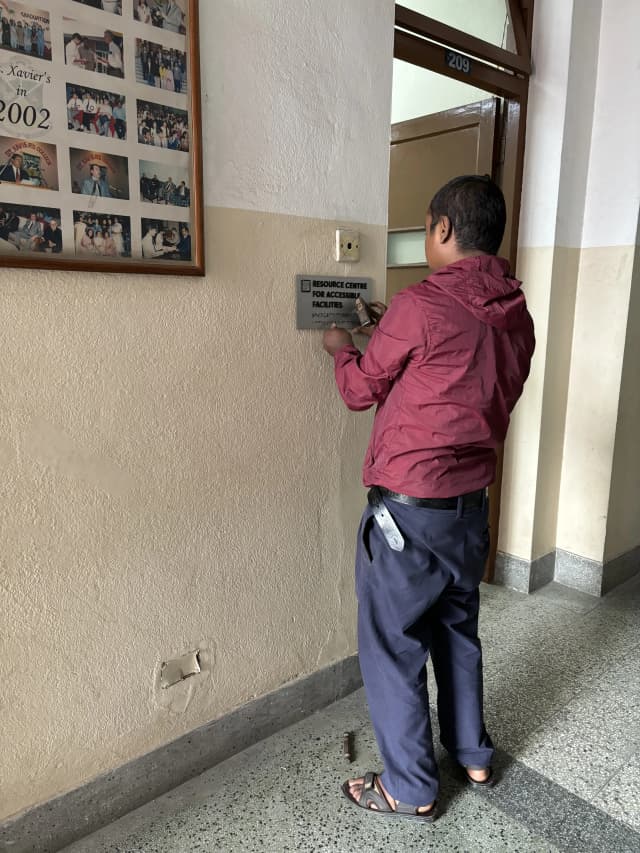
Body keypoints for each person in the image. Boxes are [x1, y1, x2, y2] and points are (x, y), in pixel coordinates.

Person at [323, 175, 535, 822]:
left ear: (442, 228)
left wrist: (339, 349)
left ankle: (410, 786)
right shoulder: (515, 310)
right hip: (471, 509)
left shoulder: (422, 305)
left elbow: (361, 389)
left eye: (427, 228)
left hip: (408, 516)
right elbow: (463, 376)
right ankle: (472, 751)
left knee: (394, 644)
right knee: (458, 630)